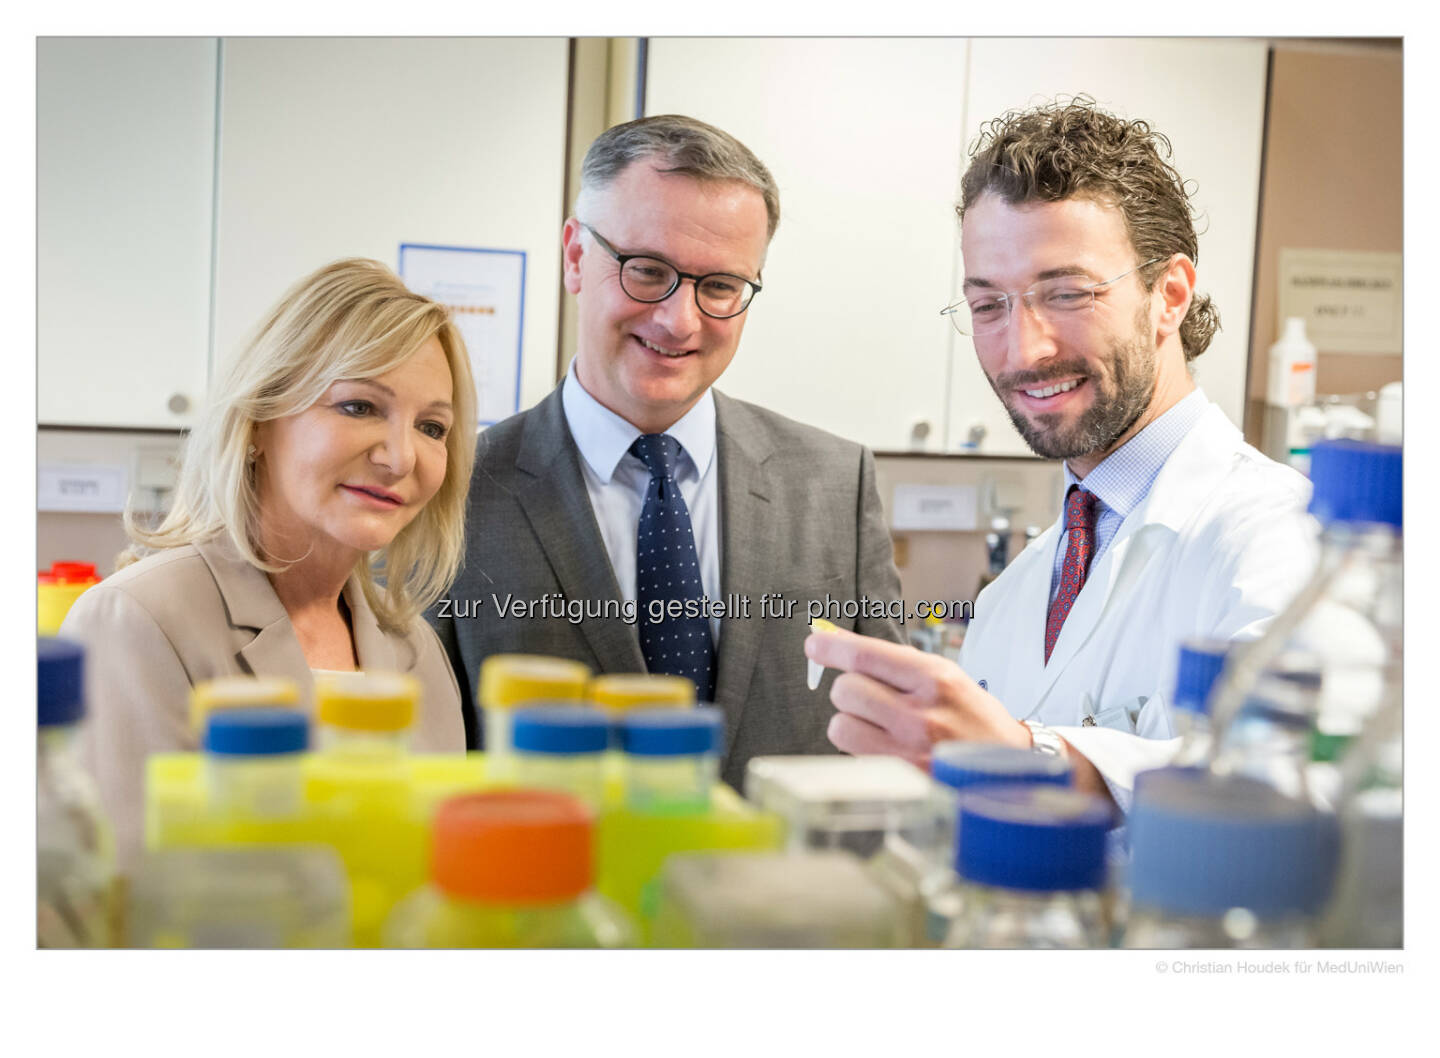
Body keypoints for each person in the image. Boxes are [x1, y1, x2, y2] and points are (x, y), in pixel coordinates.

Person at [805, 98, 1315, 809]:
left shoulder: (1277, 535)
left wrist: (1036, 760)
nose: (1024, 350)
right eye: (989, 306)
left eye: (1066, 293)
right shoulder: (1015, 596)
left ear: (1168, 295)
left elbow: (1296, 789)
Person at [433, 114, 903, 788]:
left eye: (719, 287)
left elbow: (888, 741)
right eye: (646, 270)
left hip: (780, 888)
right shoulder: (458, 491)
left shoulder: (836, 483)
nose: (678, 321)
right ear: (575, 257)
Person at [61, 258, 477, 869]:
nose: (399, 456)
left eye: (432, 426)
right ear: (259, 418)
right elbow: (116, 910)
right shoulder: (135, 622)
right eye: (360, 406)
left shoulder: (416, 649)